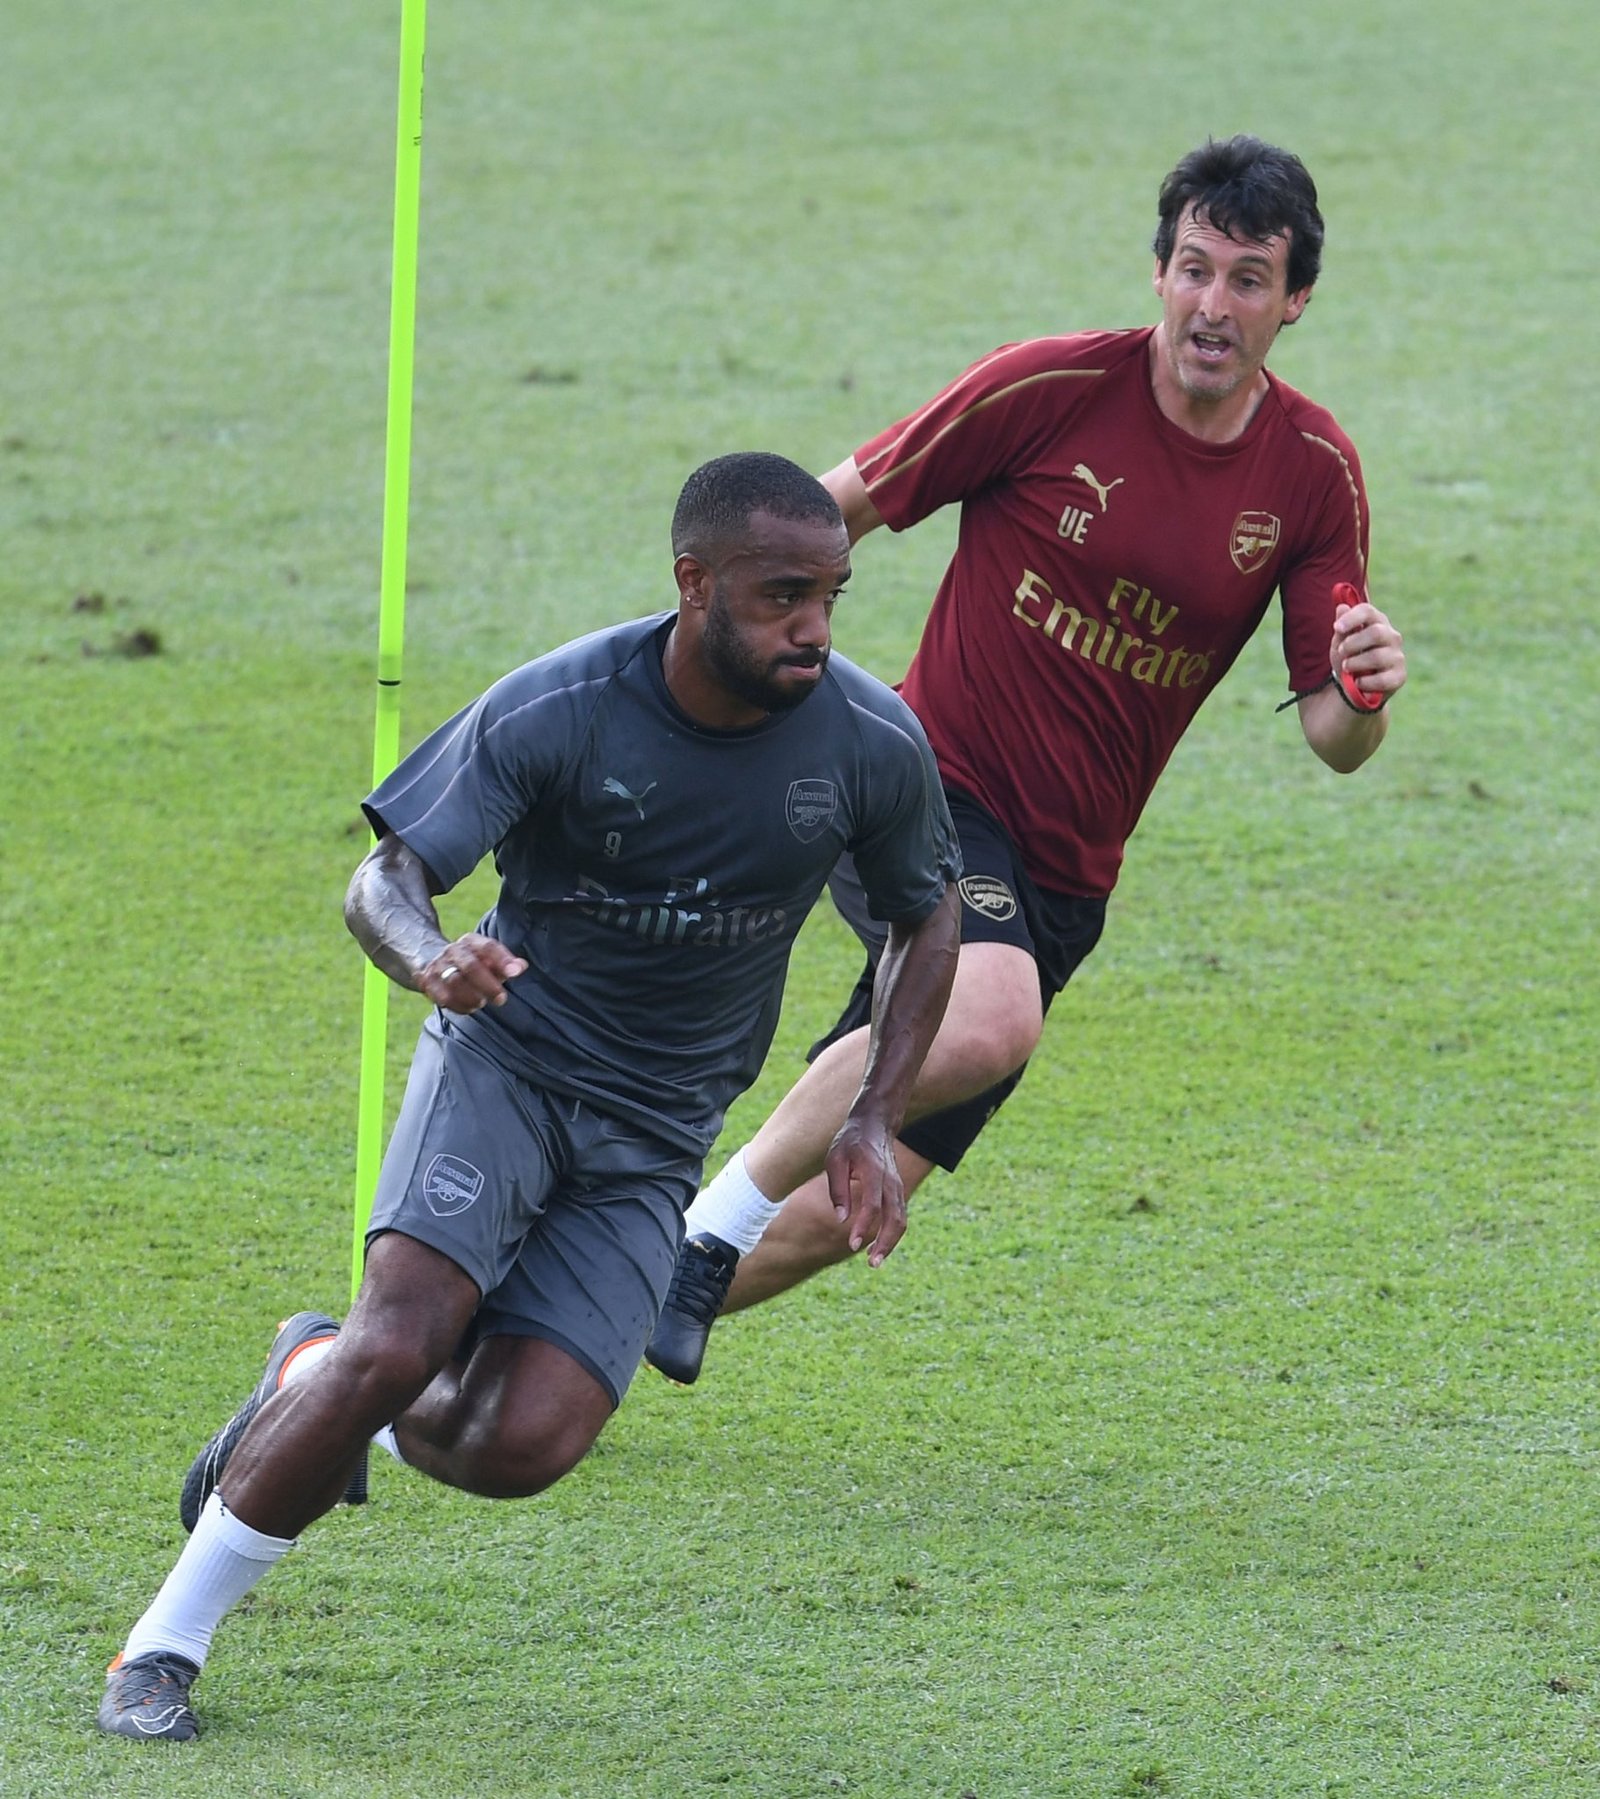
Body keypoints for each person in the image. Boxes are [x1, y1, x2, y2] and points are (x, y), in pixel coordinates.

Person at [98, 451, 961, 1741]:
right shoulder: (562, 705)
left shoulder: (866, 738)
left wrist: (872, 1111)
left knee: (525, 1443)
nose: (816, 628)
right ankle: (161, 1649)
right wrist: (429, 957)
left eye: (832, 594)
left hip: (660, 1127)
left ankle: (313, 1377)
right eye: (784, 596)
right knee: (405, 1335)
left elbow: (926, 913)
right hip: (509, 1063)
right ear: (694, 583)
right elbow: (383, 878)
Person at [644, 135, 1409, 1386]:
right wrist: (709, 670)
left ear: (1295, 301)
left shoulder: (1314, 477)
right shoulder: (1045, 389)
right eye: (1195, 269)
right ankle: (701, 1232)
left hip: (1066, 882)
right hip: (921, 779)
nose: (1214, 306)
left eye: (1249, 280)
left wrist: (1365, 688)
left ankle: (507, 1349)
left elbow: (1335, 736)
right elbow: (818, 511)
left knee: (853, 1201)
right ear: (1159, 271)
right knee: (992, 1014)